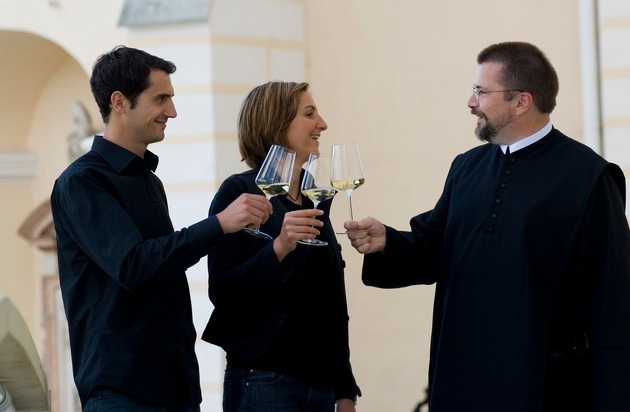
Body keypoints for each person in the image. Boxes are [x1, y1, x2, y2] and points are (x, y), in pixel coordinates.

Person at [344, 41, 630, 411]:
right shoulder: (467, 167)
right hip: (461, 379)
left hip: (543, 387)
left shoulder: (588, 176)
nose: (470, 102)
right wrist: (387, 241)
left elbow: (613, 300)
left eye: (481, 91)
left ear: (521, 101)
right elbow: (435, 247)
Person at [50, 45, 272, 411]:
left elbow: (161, 268)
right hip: (122, 394)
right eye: (160, 99)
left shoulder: (149, 182)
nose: (172, 111)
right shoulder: (82, 182)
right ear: (119, 102)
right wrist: (219, 224)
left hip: (175, 389)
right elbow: (134, 265)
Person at [201, 81, 362, 411]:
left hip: (322, 386)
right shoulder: (241, 191)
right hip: (264, 378)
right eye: (309, 114)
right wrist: (279, 247)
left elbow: (331, 303)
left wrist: (345, 389)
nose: (322, 124)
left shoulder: (313, 197)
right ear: (277, 123)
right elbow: (224, 291)